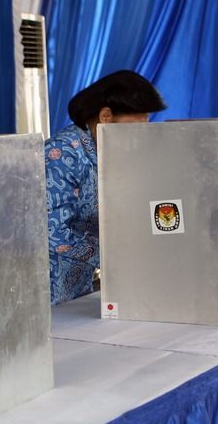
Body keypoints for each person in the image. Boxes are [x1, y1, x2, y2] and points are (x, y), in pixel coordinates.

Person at [45, 70, 166, 305]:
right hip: (49, 293)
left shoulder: (110, 151)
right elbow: (50, 230)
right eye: (134, 127)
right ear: (106, 117)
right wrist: (113, 255)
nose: (138, 138)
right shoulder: (60, 155)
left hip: (79, 290)